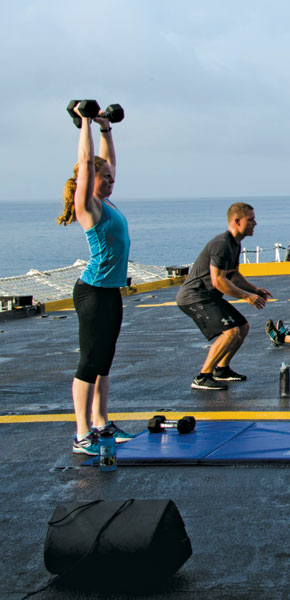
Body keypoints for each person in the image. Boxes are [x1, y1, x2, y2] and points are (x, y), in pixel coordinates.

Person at [58, 103, 135, 455]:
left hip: (110, 292)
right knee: (89, 362)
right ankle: (81, 433)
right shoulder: (88, 205)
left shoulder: (110, 202)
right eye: (105, 177)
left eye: (111, 177)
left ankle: (102, 423)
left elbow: (107, 161)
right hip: (91, 292)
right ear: (91, 178)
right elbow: (90, 163)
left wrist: (106, 128)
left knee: (104, 359)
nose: (111, 178)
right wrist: (85, 124)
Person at [176, 203, 272, 390]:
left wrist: (255, 290)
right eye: (250, 220)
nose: (255, 223)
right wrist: (247, 297)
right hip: (194, 297)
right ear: (237, 221)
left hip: (208, 297)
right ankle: (203, 376)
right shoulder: (221, 244)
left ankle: (222, 369)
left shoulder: (234, 244)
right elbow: (218, 281)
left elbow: (233, 275)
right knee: (231, 332)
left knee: (242, 327)